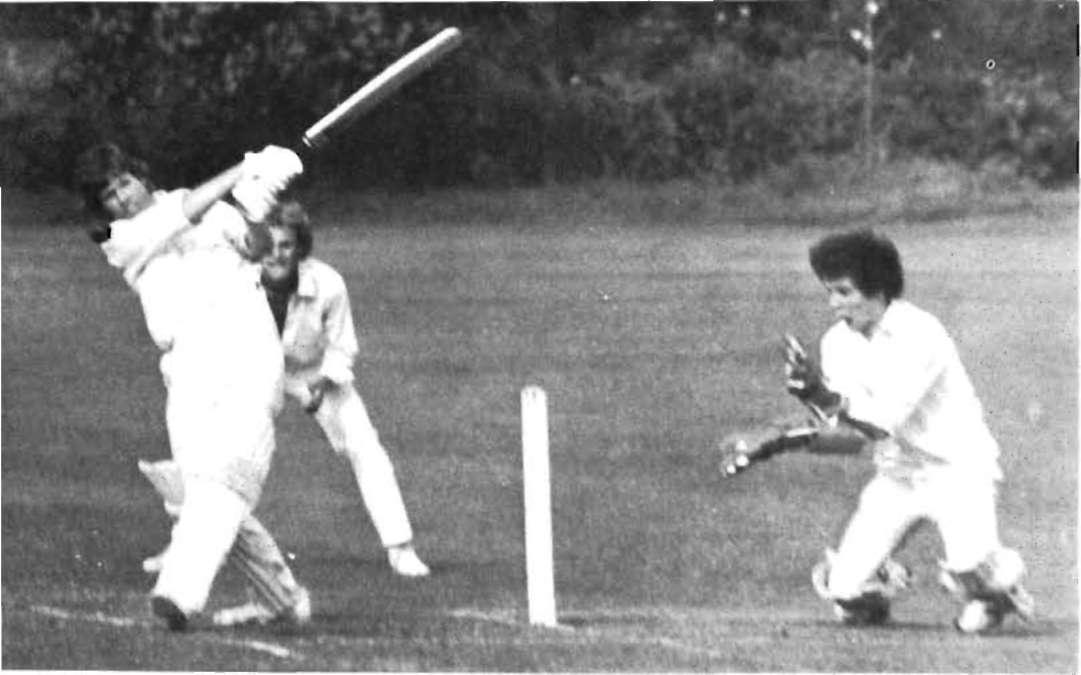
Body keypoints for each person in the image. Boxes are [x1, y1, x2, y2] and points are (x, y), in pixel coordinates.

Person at [75, 142, 311, 630]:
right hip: (186, 364)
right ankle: (284, 600)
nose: (122, 197)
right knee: (196, 490)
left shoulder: (212, 208)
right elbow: (182, 214)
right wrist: (245, 169)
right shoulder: (119, 238)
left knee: (226, 478)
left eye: (125, 183)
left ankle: (180, 592)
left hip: (247, 347)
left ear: (142, 177)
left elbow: (256, 248)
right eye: (109, 194)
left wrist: (257, 208)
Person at [783, 228, 1034, 633]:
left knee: (972, 572)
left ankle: (999, 588)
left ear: (877, 288)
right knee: (844, 593)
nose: (834, 304)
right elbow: (852, 434)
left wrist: (822, 395)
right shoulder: (836, 343)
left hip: (959, 470)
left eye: (844, 292)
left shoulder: (920, 333)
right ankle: (878, 585)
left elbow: (882, 421)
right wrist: (792, 429)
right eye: (829, 292)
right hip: (898, 475)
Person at [260, 200, 430, 577]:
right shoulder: (239, 282)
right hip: (252, 371)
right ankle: (192, 544)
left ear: (300, 248)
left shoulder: (328, 284)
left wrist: (321, 382)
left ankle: (401, 549)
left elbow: (342, 346)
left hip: (314, 371)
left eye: (286, 245)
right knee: (224, 452)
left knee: (365, 447)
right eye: (268, 245)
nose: (276, 255)